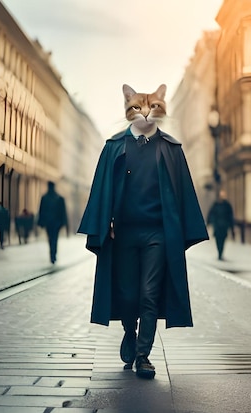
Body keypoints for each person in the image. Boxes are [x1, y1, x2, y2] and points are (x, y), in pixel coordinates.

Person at [77, 84, 208, 379]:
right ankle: (128, 331)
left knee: (149, 294)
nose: (146, 113)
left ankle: (143, 355)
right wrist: (104, 222)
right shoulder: (113, 147)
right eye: (137, 107)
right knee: (127, 295)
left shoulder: (171, 149)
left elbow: (183, 194)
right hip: (122, 235)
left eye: (153, 107)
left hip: (157, 235)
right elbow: (101, 191)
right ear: (127, 107)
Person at [37, 181, 68, 264]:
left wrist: (40, 222)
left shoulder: (45, 198)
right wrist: (64, 223)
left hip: (49, 223)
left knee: (51, 239)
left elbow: (41, 211)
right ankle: (53, 255)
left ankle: (52, 255)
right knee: (54, 239)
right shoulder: (59, 198)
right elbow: (63, 212)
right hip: (56, 223)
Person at [207, 189, 235, 260]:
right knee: (218, 240)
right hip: (217, 226)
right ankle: (219, 252)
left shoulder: (227, 205)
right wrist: (210, 223)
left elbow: (230, 216)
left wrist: (231, 228)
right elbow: (211, 214)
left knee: (222, 240)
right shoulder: (215, 205)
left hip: (224, 226)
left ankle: (220, 253)